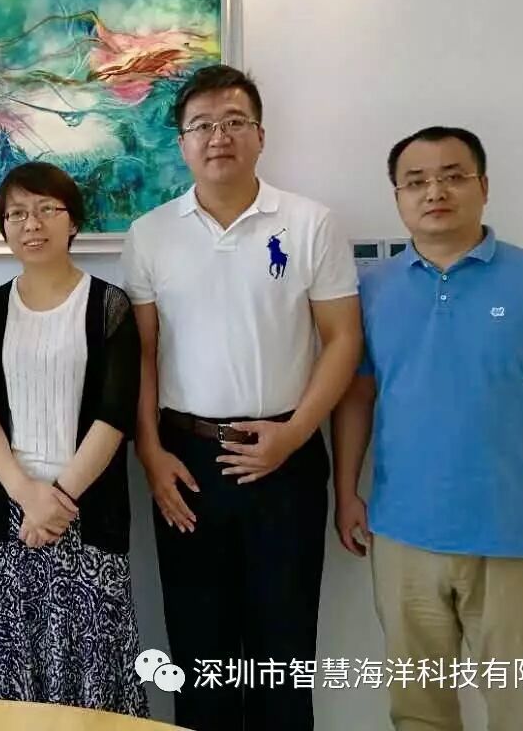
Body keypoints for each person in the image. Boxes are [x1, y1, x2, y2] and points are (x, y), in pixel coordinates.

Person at [331, 126, 523, 731]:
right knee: (417, 710)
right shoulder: (371, 289)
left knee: (519, 709)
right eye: (416, 181)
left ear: (484, 186)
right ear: (398, 196)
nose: (435, 192)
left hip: (513, 536)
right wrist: (345, 492)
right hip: (402, 536)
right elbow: (357, 398)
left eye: (453, 176)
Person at [121, 64, 362, 731]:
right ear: (182, 143)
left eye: (234, 122)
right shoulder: (150, 234)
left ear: (260, 135)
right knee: (201, 652)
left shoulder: (310, 223)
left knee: (284, 651)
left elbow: (343, 339)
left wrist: (295, 434)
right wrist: (151, 454)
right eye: (201, 125)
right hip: (187, 462)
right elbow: (143, 354)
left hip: (287, 454)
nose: (218, 137)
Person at [0, 162, 148, 717]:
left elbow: (115, 415)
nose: (31, 224)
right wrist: (26, 496)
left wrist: (56, 501)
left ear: (73, 221)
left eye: (45, 210)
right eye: (16, 214)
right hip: (1, 519)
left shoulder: (109, 306)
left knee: (87, 681)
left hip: (84, 516)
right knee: (2, 679)